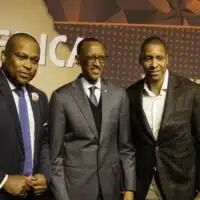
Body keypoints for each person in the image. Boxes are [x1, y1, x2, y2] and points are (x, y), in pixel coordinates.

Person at [49, 37, 135, 200]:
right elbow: (55, 156)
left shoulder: (119, 95)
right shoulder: (61, 97)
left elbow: (126, 148)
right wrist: (62, 197)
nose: (97, 63)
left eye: (101, 58)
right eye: (91, 57)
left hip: (111, 189)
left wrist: (130, 189)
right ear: (77, 60)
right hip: (76, 190)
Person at [127, 36, 200, 200]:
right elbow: (128, 146)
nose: (154, 64)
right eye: (148, 58)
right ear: (140, 60)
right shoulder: (130, 95)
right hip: (144, 186)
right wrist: (128, 188)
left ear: (167, 59)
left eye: (159, 58)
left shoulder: (191, 92)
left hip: (182, 186)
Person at [0, 33, 50, 199]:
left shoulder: (40, 98)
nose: (28, 65)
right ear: (3, 56)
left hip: (31, 195)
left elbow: (44, 142)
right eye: (21, 57)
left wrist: (44, 174)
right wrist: (3, 180)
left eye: (34, 60)